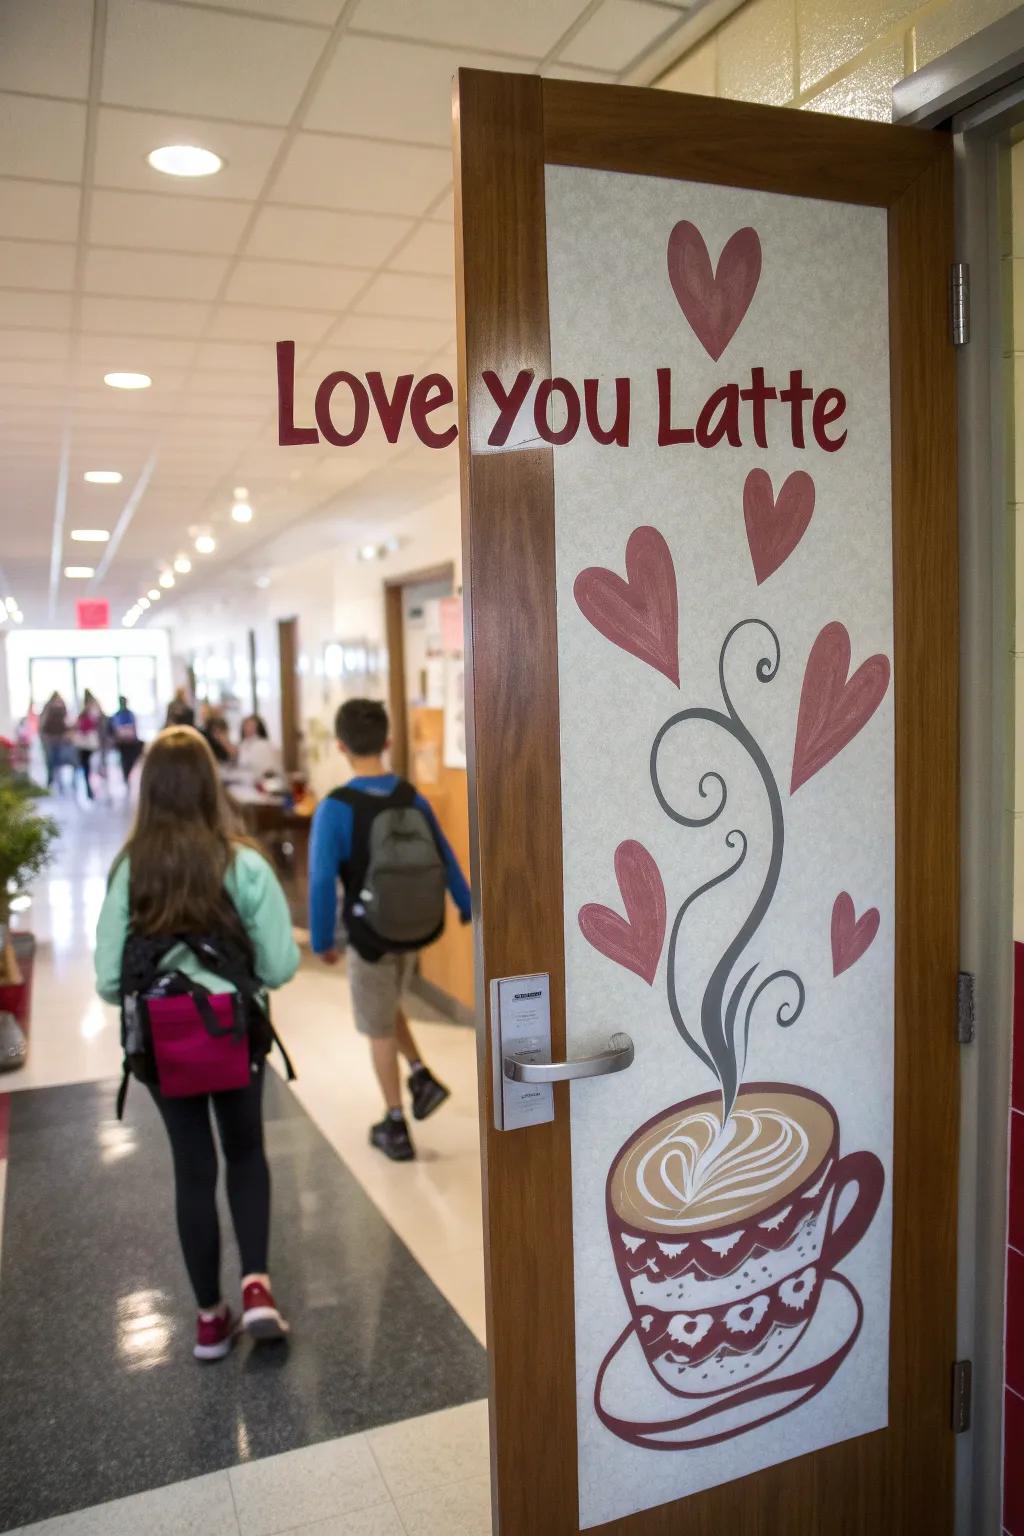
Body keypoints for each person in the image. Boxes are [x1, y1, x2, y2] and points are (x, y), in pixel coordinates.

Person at [94, 727, 300, 1361]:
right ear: (212, 786)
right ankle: (259, 1289)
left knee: (193, 1168)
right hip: (235, 1037)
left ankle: (211, 1320)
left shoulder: (132, 869)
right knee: (246, 1153)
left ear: (149, 790)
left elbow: (108, 980)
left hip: (163, 1044)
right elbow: (280, 966)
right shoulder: (243, 863)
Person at [309, 698, 472, 1161]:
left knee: (376, 1026)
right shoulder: (410, 796)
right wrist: (464, 904)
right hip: (414, 929)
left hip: (369, 936)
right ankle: (420, 1074)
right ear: (389, 741)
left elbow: (322, 881)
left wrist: (322, 941)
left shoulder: (335, 809)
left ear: (340, 746)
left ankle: (395, 1123)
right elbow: (444, 856)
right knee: (386, 1004)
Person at [73, 691, 104, 801]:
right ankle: (90, 790)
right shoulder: (86, 716)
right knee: (88, 769)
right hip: (86, 747)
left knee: (92, 769)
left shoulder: (95, 715)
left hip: (91, 746)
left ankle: (93, 790)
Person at [109, 695, 143, 785]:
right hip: (122, 744)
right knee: (125, 762)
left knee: (131, 760)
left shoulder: (130, 714)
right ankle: (126, 777)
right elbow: (116, 730)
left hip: (131, 743)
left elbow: (134, 729)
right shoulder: (116, 715)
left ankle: (128, 776)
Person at [237, 715, 281, 780]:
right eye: (245, 725)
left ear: (258, 728)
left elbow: (269, 771)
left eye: (251, 726)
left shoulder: (263, 744)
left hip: (265, 782)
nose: (247, 728)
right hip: (247, 780)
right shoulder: (243, 744)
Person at [38, 692, 68, 787]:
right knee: (50, 761)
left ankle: (59, 781)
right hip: (49, 740)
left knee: (59, 761)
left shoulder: (63, 710)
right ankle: (51, 780)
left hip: (59, 739)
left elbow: (66, 724)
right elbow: (42, 725)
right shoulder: (48, 709)